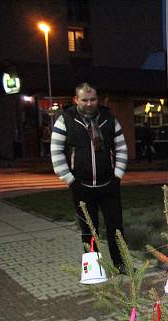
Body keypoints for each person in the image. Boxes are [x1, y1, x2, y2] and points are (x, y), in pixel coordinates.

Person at [50, 82, 128, 272]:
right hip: (81, 185)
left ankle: (121, 264)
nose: (89, 103)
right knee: (88, 229)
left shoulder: (109, 118)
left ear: (97, 99)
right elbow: (56, 151)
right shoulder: (66, 119)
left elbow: (121, 147)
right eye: (84, 100)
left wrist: (117, 176)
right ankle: (93, 269)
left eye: (93, 99)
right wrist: (69, 179)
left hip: (109, 184)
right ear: (76, 99)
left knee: (116, 228)